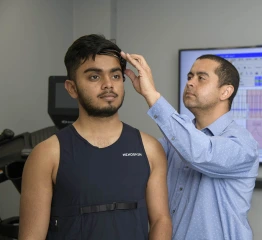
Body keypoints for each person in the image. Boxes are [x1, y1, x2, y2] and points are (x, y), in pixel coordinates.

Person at [18, 34, 172, 240]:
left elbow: (161, 220)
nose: (108, 84)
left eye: (116, 76)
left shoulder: (150, 148)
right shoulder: (46, 154)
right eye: (94, 76)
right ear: (72, 88)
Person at [121, 52, 259, 240]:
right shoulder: (175, 142)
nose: (190, 83)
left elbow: (200, 153)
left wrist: (151, 95)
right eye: (189, 77)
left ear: (225, 92)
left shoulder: (242, 144)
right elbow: (135, 160)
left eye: (201, 78)